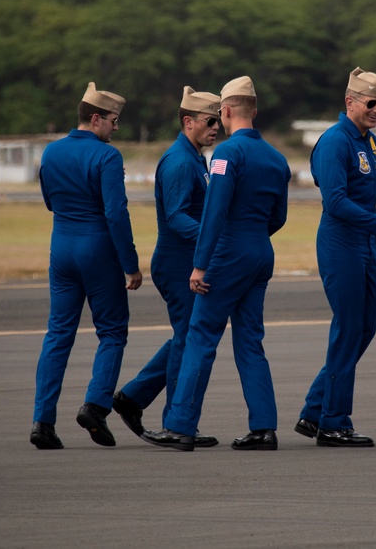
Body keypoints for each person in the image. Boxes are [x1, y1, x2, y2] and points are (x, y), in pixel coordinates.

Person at [143, 76, 291, 451]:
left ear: (225, 112)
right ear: (254, 111)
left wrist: (200, 264)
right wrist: (254, 237)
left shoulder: (226, 154)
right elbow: (279, 217)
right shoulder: (277, 158)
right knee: (250, 341)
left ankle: (179, 426)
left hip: (228, 252)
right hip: (261, 251)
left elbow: (214, 213)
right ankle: (263, 426)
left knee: (200, 336)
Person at [294, 67, 376, 448]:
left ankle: (316, 409)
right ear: (349, 102)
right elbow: (336, 203)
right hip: (340, 245)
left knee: (365, 329)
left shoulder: (372, 143)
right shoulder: (334, 143)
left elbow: (367, 201)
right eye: (371, 102)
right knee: (348, 329)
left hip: (365, 247)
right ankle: (333, 422)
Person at [30, 82, 143, 450]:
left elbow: (50, 202)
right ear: (95, 119)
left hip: (61, 247)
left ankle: (42, 422)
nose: (116, 128)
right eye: (113, 120)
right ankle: (95, 406)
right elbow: (115, 212)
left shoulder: (51, 152)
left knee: (58, 335)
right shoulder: (107, 157)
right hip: (97, 249)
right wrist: (131, 264)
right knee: (112, 332)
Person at [111, 86, 222, 448]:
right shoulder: (179, 161)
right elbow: (176, 217)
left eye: (219, 120)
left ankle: (133, 398)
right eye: (209, 120)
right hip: (177, 263)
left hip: (187, 259)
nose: (216, 127)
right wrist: (213, 241)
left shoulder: (195, 157)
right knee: (189, 340)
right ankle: (175, 424)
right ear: (188, 122)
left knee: (186, 337)